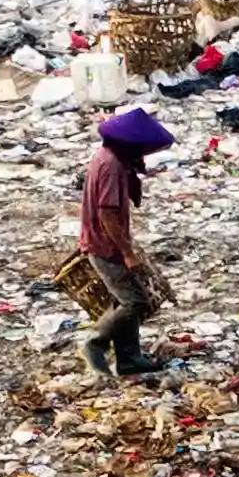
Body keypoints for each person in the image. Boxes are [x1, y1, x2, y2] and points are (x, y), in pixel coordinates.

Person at [69, 103, 174, 379]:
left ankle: (129, 358)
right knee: (134, 302)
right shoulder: (111, 166)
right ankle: (96, 344)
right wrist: (127, 252)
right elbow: (108, 214)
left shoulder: (107, 156)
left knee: (123, 299)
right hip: (105, 245)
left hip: (104, 241)